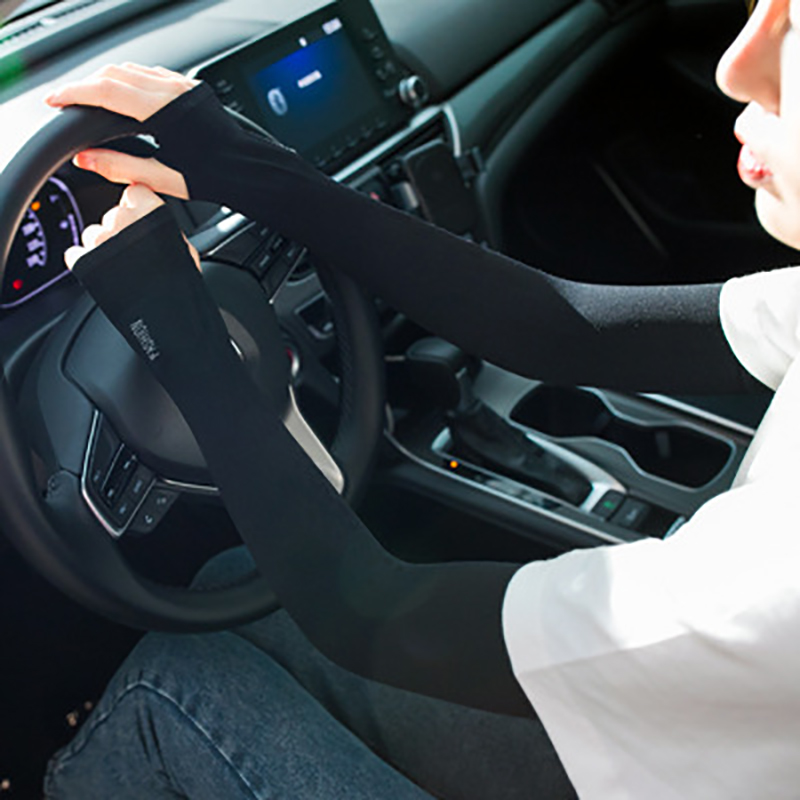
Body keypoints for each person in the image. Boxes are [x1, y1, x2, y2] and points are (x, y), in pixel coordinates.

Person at [41, 0, 800, 796]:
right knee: (238, 585)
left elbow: (365, 613)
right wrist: (250, 169)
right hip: (706, 739)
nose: (736, 67)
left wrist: (177, 329)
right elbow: (565, 328)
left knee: (169, 685)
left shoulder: (769, 587)